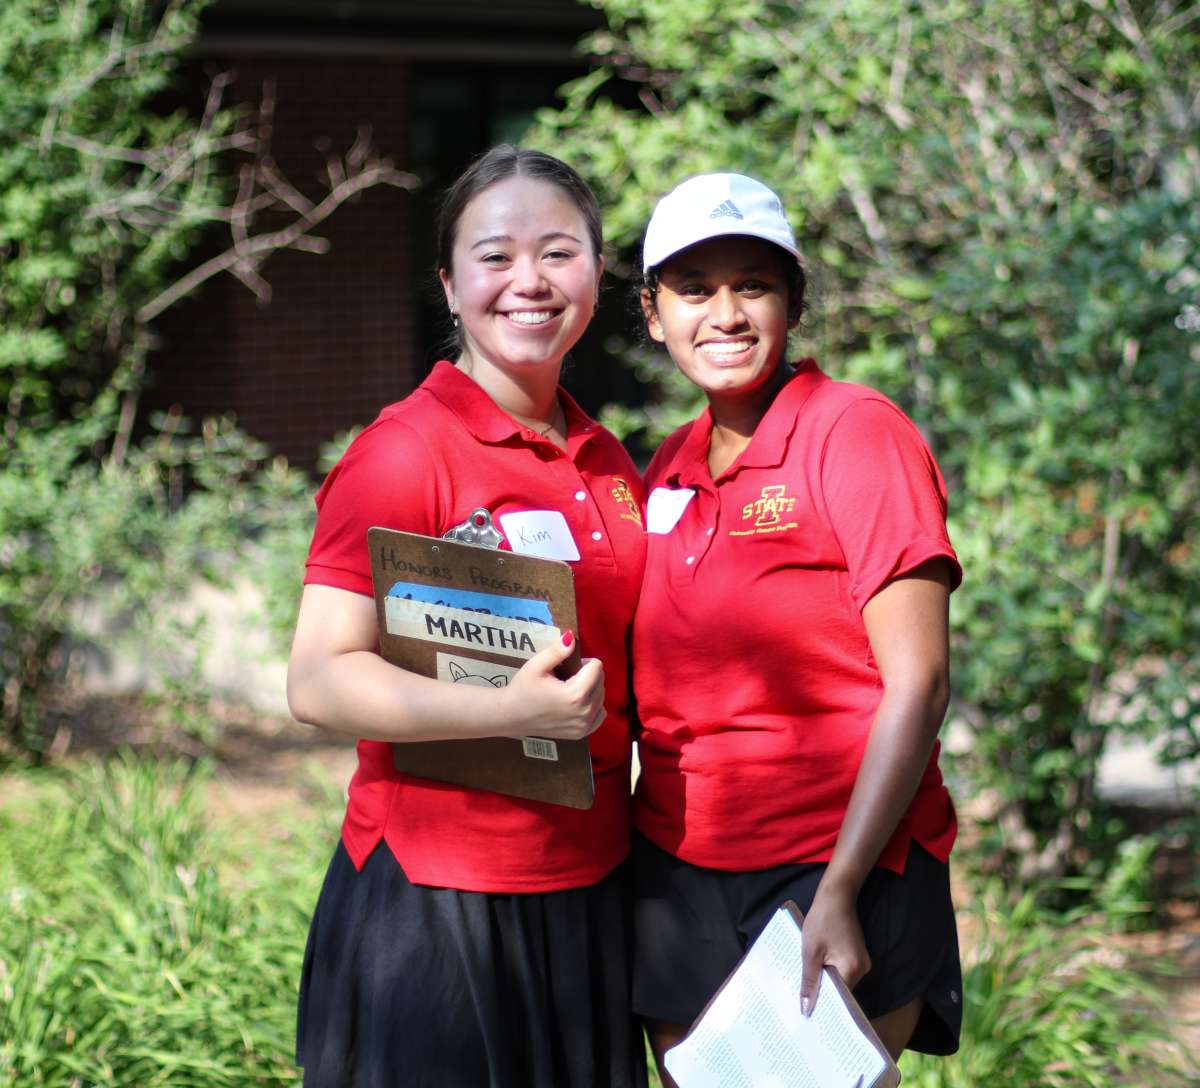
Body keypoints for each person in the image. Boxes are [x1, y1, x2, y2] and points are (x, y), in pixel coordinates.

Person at [286, 145, 648, 1088]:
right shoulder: (405, 453)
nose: (528, 280)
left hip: (592, 895)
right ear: (450, 286)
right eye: (494, 256)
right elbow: (318, 678)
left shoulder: (611, 464)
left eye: (559, 252)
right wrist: (507, 713)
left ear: (597, 277)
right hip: (437, 909)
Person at [629, 173, 963, 1081]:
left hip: (833, 864)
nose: (726, 313)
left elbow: (921, 682)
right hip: (681, 871)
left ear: (794, 304)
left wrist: (842, 889)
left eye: (755, 285)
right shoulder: (667, 467)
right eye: (695, 289)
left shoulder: (854, 431)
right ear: (654, 313)